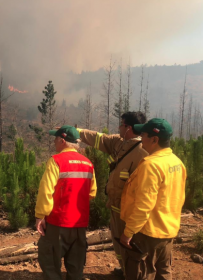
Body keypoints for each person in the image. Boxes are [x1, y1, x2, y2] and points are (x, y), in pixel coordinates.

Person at [75, 111, 148, 276]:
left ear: (128, 128)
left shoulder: (143, 152)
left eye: (121, 124)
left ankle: (134, 274)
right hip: (115, 208)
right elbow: (99, 138)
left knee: (130, 247)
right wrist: (77, 132)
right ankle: (124, 270)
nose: (119, 127)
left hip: (128, 213)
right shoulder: (120, 142)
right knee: (118, 244)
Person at [120, 118, 186, 280]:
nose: (141, 138)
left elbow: (143, 206)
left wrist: (128, 233)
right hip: (167, 231)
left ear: (154, 139)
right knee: (163, 272)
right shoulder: (177, 162)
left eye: (143, 134)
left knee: (141, 273)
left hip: (147, 234)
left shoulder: (151, 165)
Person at [35, 125, 97, 280]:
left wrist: (40, 216)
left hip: (58, 222)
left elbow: (46, 191)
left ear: (62, 140)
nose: (54, 142)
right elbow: (92, 193)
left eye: (55, 139)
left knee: (50, 262)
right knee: (76, 267)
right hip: (80, 223)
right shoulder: (88, 164)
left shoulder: (56, 161)